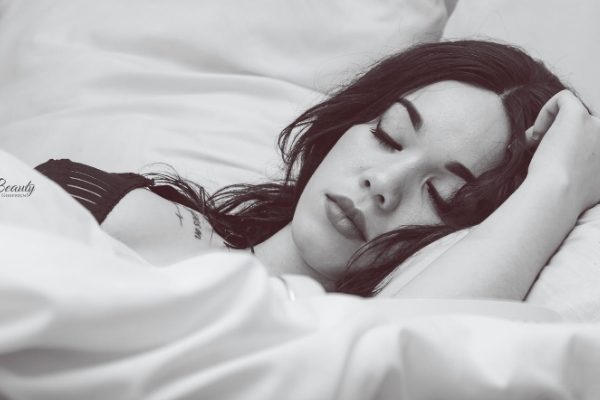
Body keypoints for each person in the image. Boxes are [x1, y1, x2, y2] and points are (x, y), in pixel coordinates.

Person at [36, 40, 600, 299]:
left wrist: (557, 188)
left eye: (441, 196)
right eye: (388, 135)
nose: (382, 183)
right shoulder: (96, 196)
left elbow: (415, 353)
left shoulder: (361, 347)